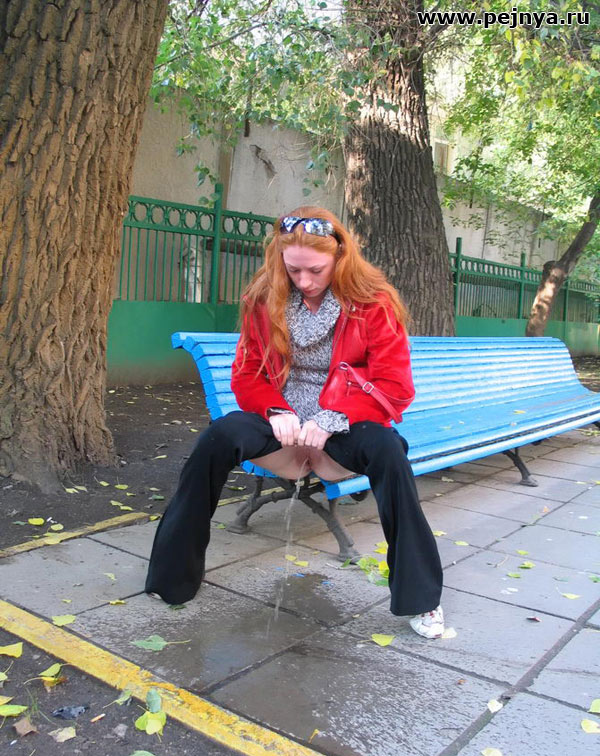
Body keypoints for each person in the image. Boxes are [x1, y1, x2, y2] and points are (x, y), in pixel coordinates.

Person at [145, 206, 444, 639]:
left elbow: (395, 386)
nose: (304, 280)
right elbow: (247, 373)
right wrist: (275, 410)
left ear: (340, 257)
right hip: (281, 426)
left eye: (315, 270)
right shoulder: (263, 299)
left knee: (389, 452)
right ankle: (172, 578)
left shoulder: (373, 303)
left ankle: (422, 597)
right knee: (218, 437)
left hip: (341, 427)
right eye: (294, 270)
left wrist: (334, 417)